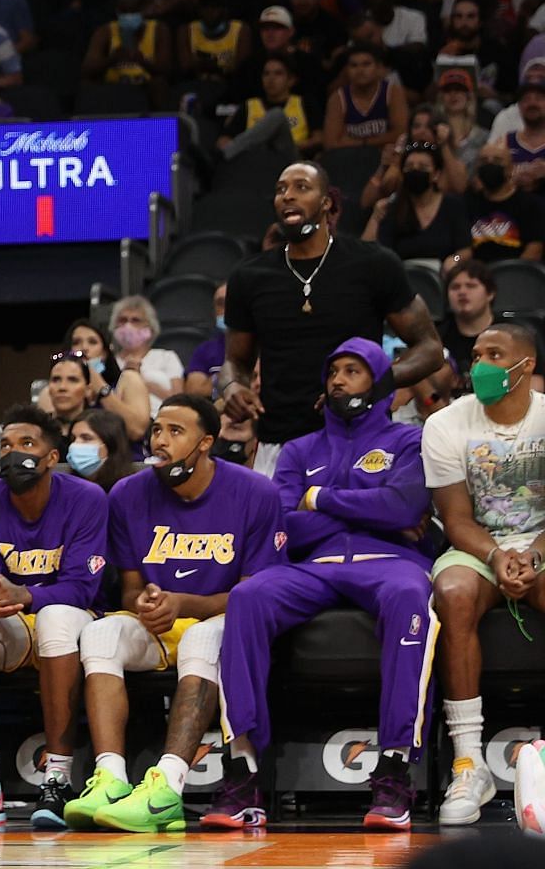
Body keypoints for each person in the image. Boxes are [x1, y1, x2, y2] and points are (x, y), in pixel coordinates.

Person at [213, 339, 435, 832]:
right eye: (333, 371)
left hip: (389, 563)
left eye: (352, 371)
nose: (337, 380)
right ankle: (242, 769)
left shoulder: (410, 441)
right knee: (247, 596)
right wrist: (369, 510)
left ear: (378, 384)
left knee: (409, 595)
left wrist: (320, 499)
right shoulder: (298, 449)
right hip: (313, 565)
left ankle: (396, 769)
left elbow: (405, 507)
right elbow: (288, 527)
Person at [61, 396, 285, 833]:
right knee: (101, 633)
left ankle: (167, 787)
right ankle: (110, 777)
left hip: (228, 623)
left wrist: (186, 604)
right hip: (161, 622)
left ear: (205, 443)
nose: (160, 441)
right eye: (157, 430)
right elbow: (128, 588)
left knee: (202, 638)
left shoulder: (256, 492)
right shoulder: (127, 492)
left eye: (174, 432)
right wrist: (142, 604)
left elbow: (258, 594)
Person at [0, 405, 108, 831]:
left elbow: (82, 587)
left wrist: (26, 593)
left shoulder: (87, 498)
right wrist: (3, 596)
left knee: (57, 618)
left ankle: (59, 778)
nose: (14, 453)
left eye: (27, 444)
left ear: (52, 457)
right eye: (5, 445)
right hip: (12, 619)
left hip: (71, 620)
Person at [221, 161, 444, 472]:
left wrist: (374, 385)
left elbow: (430, 349)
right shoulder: (249, 276)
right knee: (281, 522)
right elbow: (236, 360)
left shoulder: (373, 264)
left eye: (301, 187)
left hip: (361, 436)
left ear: (326, 202)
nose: (288, 195)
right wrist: (232, 385)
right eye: (281, 189)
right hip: (280, 440)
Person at [422, 323, 545, 825]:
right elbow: (456, 520)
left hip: (542, 541)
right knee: (450, 591)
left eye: (496, 355)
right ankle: (469, 764)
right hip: (478, 548)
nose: (481, 366)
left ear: (526, 366)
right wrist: (498, 557)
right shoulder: (446, 424)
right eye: (476, 355)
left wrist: (535, 555)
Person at [365, 140, 473, 264]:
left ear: (436, 174)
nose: (415, 170)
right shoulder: (394, 208)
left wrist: (454, 260)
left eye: (423, 167)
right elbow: (377, 251)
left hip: (444, 275)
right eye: (409, 167)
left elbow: (465, 251)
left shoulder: (453, 205)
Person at [325, 41, 408, 150]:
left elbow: (401, 134)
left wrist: (360, 142)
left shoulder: (392, 92)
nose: (360, 70)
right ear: (346, 70)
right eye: (354, 65)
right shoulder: (338, 98)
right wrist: (382, 139)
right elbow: (330, 144)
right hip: (350, 158)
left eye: (366, 64)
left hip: (385, 156)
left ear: (378, 67)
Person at [109, 294, 186, 409]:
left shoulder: (167, 357)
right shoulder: (108, 362)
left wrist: (139, 380)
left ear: (150, 326)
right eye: (122, 320)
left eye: (135, 320)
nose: (128, 325)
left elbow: (179, 401)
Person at [63, 409, 135, 490]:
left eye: (86, 438)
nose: (75, 444)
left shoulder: (130, 489)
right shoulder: (64, 488)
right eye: (73, 438)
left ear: (109, 445)